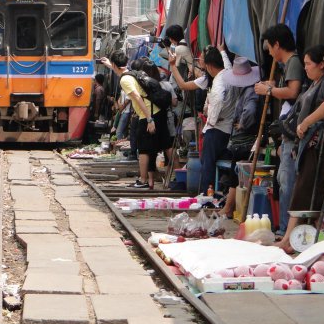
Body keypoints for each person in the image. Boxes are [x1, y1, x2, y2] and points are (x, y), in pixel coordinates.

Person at [273, 46, 324, 251]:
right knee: (306, 191)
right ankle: (293, 238)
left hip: (317, 144)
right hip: (305, 143)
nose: (306, 68)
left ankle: (290, 239)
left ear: (321, 65)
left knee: (303, 190)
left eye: (309, 64)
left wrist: (306, 123)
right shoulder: (313, 84)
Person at [254, 24, 303, 235]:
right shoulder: (288, 65)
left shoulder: (293, 62)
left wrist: (270, 90)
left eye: (270, 48)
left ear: (277, 45)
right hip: (287, 130)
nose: (270, 53)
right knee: (284, 180)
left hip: (293, 132)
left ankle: (285, 230)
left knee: (287, 181)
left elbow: (293, 92)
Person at [100, 51, 171, 189]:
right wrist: (110, 65)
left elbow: (137, 98)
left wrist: (149, 120)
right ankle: (177, 173)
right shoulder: (131, 72)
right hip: (157, 111)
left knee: (143, 149)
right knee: (166, 144)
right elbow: (121, 72)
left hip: (148, 114)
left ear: (115, 64)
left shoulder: (125, 80)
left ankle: (143, 180)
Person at [170, 45, 234, 193]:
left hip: (216, 130)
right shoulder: (226, 74)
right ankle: (214, 194)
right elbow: (185, 85)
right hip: (227, 128)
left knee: (208, 165)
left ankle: (206, 195)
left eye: (202, 60)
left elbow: (217, 100)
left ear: (210, 64)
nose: (199, 62)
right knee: (213, 164)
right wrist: (222, 50)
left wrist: (210, 121)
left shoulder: (217, 84)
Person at [218, 56, 261, 217]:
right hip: (242, 140)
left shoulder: (250, 91)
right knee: (234, 173)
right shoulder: (247, 90)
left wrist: (243, 124)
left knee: (235, 175)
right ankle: (230, 207)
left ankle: (229, 208)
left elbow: (249, 111)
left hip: (244, 140)